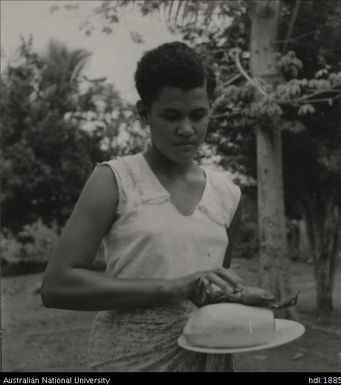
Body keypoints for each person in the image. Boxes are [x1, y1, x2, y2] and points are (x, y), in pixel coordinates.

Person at [41, 41, 270, 372]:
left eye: (198, 114)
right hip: (128, 361)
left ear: (211, 107)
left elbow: (211, 291)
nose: (187, 130)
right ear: (144, 112)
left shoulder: (227, 194)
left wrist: (240, 296)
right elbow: (57, 285)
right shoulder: (115, 180)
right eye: (171, 116)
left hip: (208, 361)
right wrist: (175, 287)